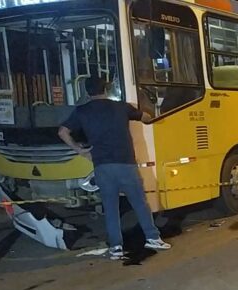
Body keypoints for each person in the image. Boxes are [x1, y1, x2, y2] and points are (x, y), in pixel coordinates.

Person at [58, 76, 171, 260]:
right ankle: (152, 237)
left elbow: (62, 132)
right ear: (106, 89)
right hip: (125, 164)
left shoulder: (82, 111)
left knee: (110, 207)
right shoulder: (121, 107)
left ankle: (116, 247)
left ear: (87, 92)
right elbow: (146, 118)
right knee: (140, 203)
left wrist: (80, 150)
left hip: (102, 166)